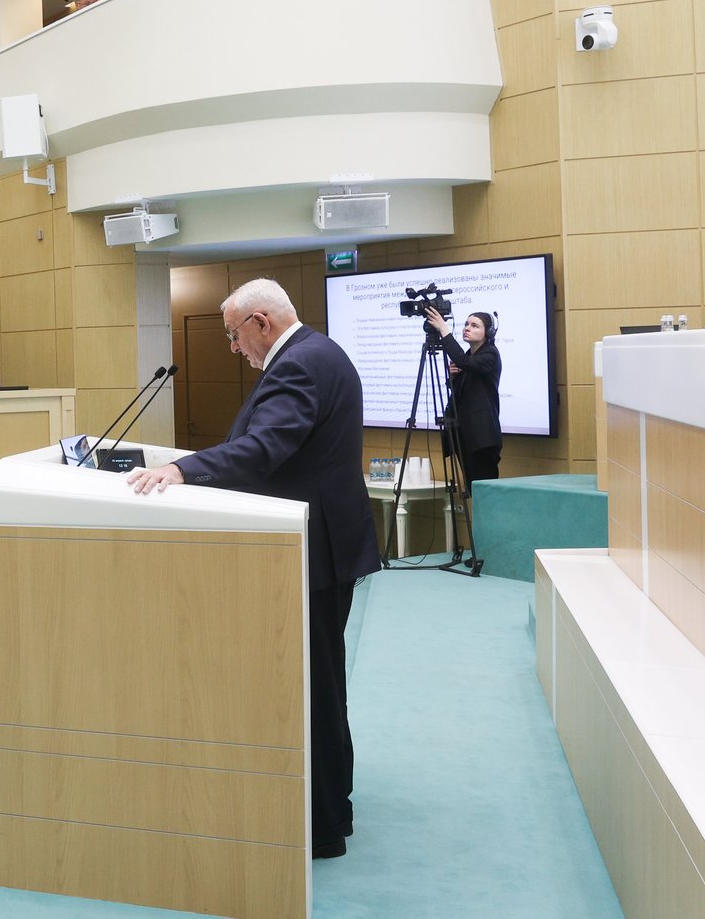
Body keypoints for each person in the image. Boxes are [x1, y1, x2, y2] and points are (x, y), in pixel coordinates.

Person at [126, 278, 378, 861]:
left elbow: (265, 449)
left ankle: (322, 825)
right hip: (323, 544)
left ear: (261, 322)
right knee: (318, 680)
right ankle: (324, 807)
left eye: (234, 336)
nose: (235, 349)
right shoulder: (318, 350)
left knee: (312, 685)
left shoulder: (297, 365)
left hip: (311, 552)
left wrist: (185, 471)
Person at [426, 307, 503, 487]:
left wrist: (444, 330)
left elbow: (463, 362)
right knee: (472, 489)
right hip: (465, 434)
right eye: (467, 324)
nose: (467, 328)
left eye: (475, 326)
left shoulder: (490, 353)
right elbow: (463, 390)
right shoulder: (469, 356)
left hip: (482, 438)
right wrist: (453, 378)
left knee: (484, 492)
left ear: (488, 333)